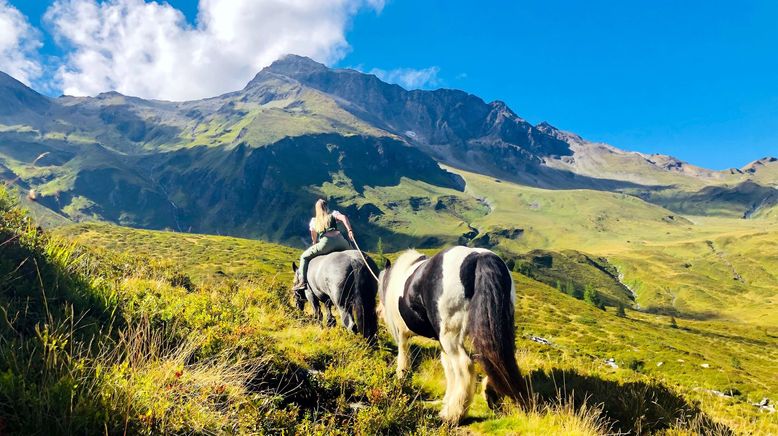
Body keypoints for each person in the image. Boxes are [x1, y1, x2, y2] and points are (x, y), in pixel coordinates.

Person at [295, 199, 354, 289]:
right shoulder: (333, 214)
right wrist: (349, 230)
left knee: (304, 257)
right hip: (340, 240)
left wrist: (315, 243)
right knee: (354, 254)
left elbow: (314, 237)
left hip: (326, 243)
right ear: (327, 207)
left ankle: (302, 281)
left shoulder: (314, 221)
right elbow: (344, 217)